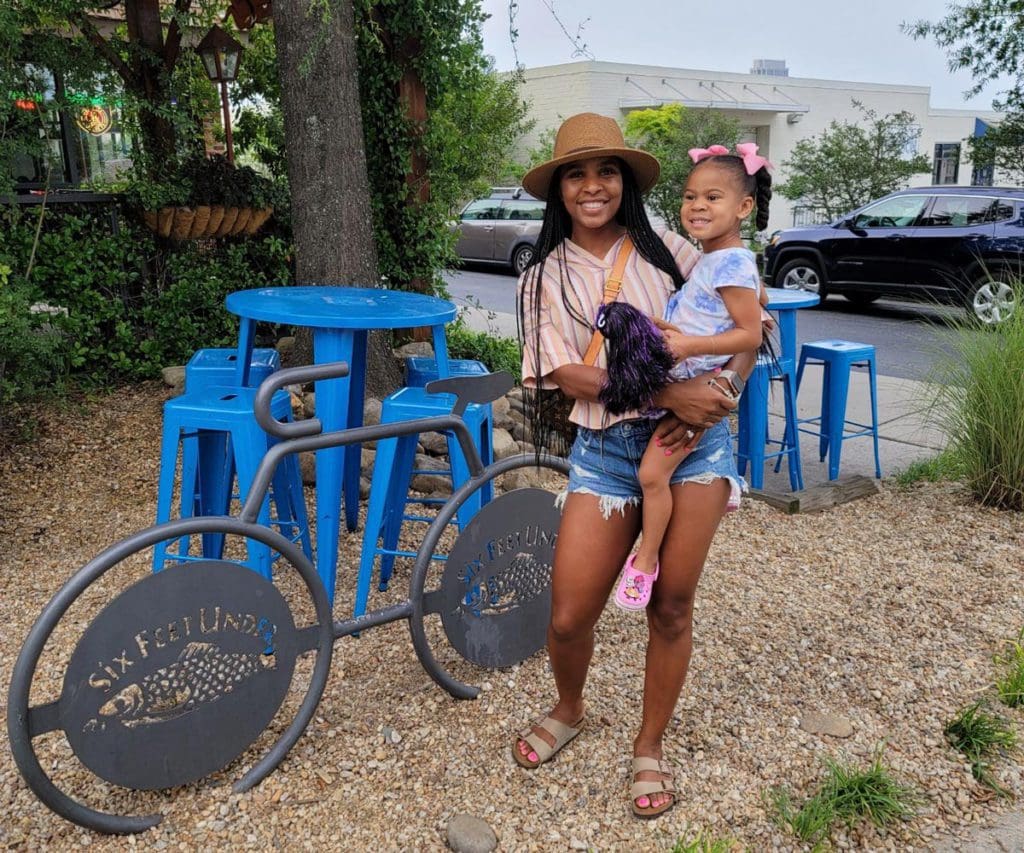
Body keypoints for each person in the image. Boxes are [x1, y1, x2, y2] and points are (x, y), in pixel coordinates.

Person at [513, 113, 756, 819]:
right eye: (577, 174)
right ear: (559, 189)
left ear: (625, 182)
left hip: (693, 448)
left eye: (606, 171)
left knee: (671, 604)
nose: (593, 186)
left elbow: (752, 325)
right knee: (567, 615)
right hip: (607, 451)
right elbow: (565, 372)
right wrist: (667, 389)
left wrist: (723, 393)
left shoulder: (675, 247)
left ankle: (648, 744)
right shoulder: (543, 276)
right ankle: (570, 705)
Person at [611, 143, 773, 612]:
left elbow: (747, 333)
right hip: (686, 376)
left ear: (744, 207)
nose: (697, 206)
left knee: (650, 475)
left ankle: (645, 560)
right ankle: (719, 483)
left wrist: (687, 346)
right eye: (689, 196)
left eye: (712, 197)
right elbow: (744, 303)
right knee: (657, 467)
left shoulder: (730, 261)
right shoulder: (718, 257)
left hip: (697, 383)